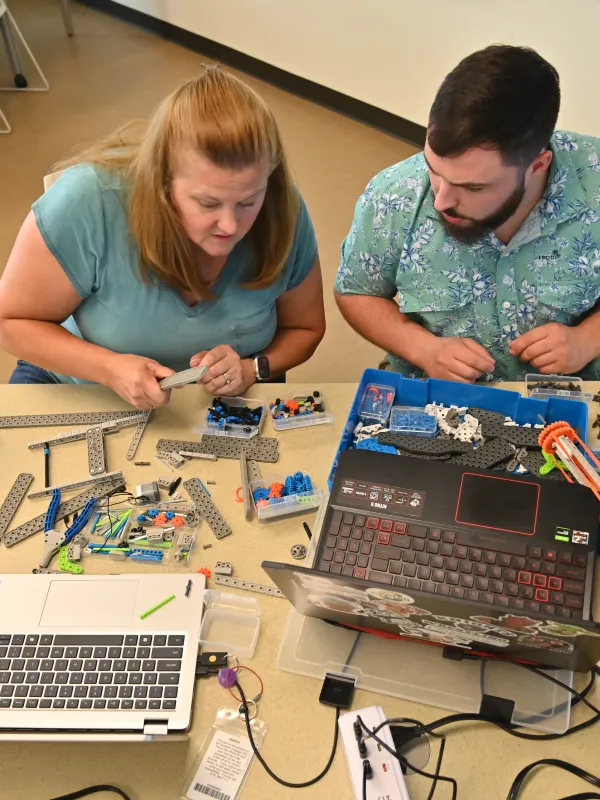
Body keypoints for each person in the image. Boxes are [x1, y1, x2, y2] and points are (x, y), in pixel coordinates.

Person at [0, 66, 325, 409]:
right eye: (207, 202)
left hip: (219, 402)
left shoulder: (282, 206)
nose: (230, 225)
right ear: (163, 182)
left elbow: (306, 329)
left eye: (248, 201)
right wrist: (109, 368)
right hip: (82, 385)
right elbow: (11, 321)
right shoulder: (89, 201)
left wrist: (252, 368)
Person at [335, 45, 600, 383]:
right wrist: (423, 349)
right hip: (438, 399)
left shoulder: (594, 184)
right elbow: (357, 290)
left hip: (574, 398)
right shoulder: (393, 196)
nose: (441, 200)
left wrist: (587, 340)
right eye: (433, 169)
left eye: (474, 188)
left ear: (537, 166)